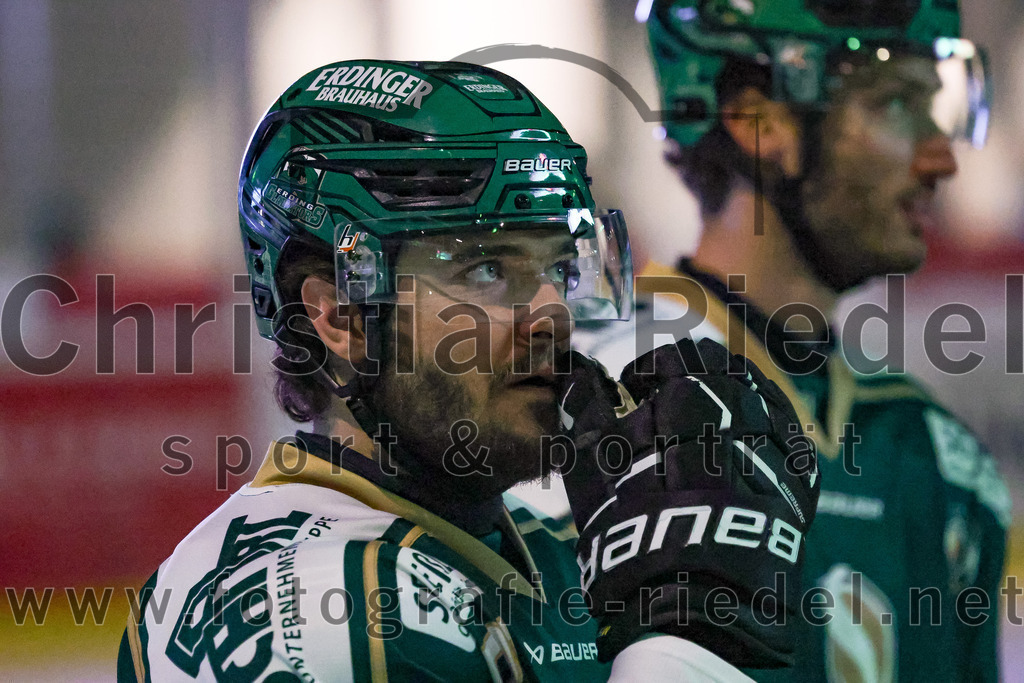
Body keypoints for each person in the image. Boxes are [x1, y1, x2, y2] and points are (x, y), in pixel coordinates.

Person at [116, 59, 817, 681]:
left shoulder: (547, 546)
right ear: (339, 314)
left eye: (556, 267)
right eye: (488, 268)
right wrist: (684, 647)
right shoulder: (319, 606)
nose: (553, 312)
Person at [576, 1, 1012, 680]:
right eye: (897, 103)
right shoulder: (584, 398)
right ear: (763, 123)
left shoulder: (941, 457)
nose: (940, 158)